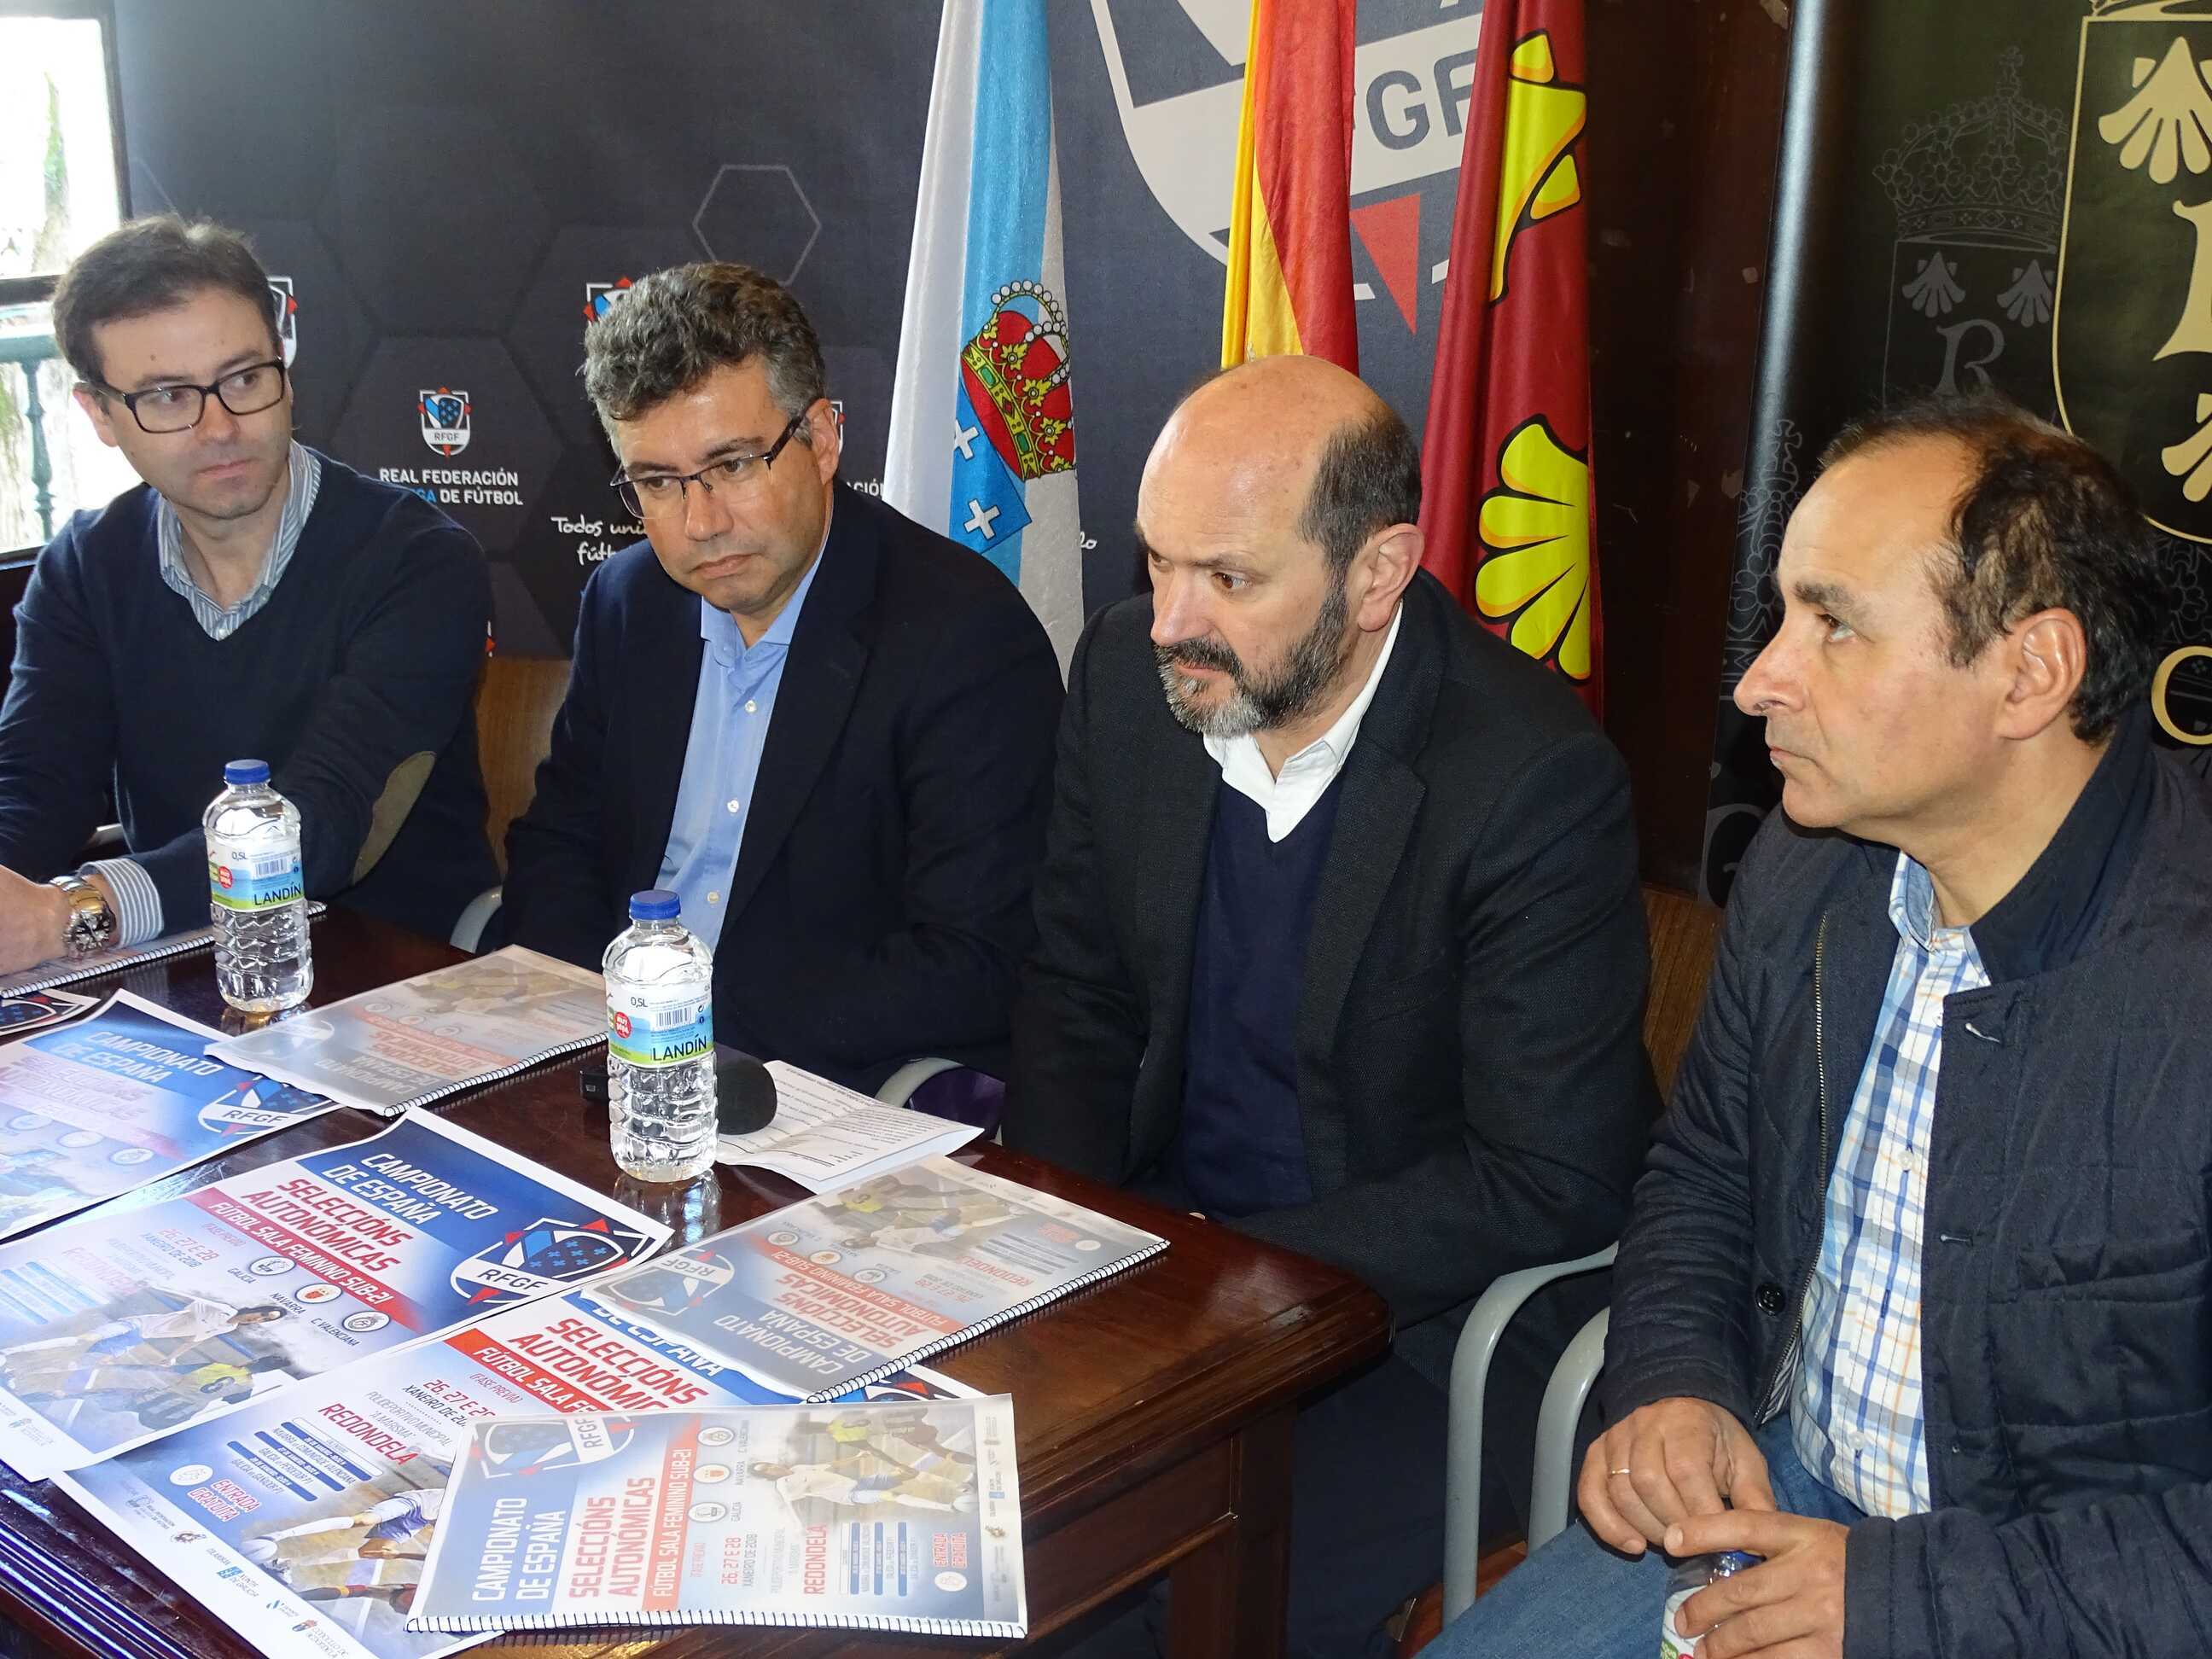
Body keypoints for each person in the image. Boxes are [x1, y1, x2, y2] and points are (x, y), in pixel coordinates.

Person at [1432, 395, 2212, 1659]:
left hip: (2063, 1599)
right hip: (1787, 1498)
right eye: (1784, 613)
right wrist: (1677, 1381)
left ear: (2030, 673)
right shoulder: (1811, 868)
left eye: (1834, 624)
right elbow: (1705, 1174)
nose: (1758, 683)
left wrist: (1902, 1600)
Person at [1002, 355, 1656, 1658]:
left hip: (1423, 1322)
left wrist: (1225, 1274)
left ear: (1376, 574)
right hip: (1165, 1264)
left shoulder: (1527, 781)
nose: (1170, 620)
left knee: (1170, 1592)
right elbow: (1078, 992)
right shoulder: (1129, 680)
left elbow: (1549, 1176)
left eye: (1228, 579)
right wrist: (1066, 1249)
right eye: (1157, 561)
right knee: (981, 1540)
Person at [500, 263, 1062, 1092]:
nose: (701, 523)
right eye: (657, 482)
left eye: (732, 465)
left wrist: (686, 1018)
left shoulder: (964, 637)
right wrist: (589, 1024)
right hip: (611, 1057)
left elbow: (975, 960)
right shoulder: (627, 602)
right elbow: (560, 847)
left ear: (823, 441)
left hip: (820, 1083)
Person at [0, 216, 498, 963]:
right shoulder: (84, 566)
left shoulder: (418, 561)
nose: (219, 427)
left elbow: (322, 826)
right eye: (168, 397)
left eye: (243, 380)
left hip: (392, 978)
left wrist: (71, 914)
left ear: (285, 373)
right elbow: (34, 790)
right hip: (174, 970)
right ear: (99, 414)